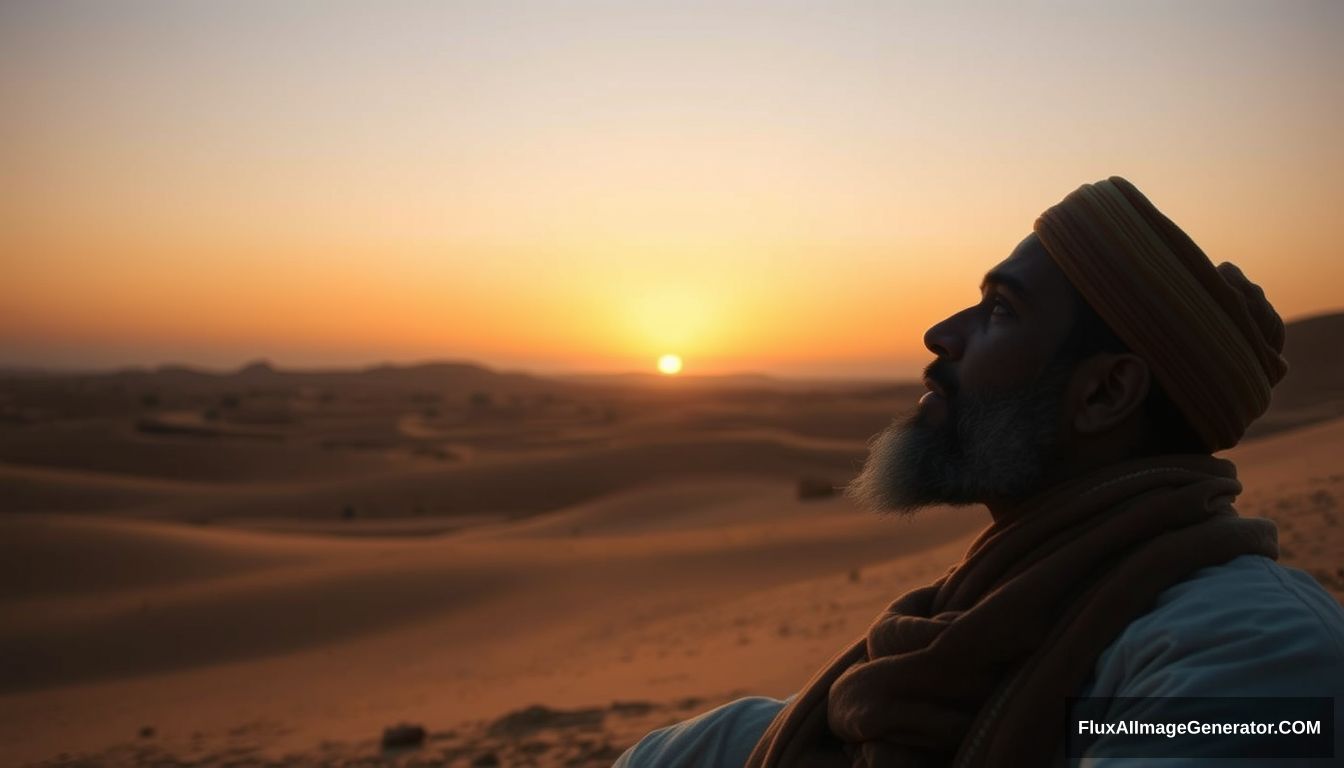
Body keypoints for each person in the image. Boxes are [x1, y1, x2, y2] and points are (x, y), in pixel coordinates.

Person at [614, 177, 1344, 767]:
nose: (941, 334)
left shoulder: (1257, 656)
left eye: (999, 309)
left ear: (1104, 393)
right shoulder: (937, 646)